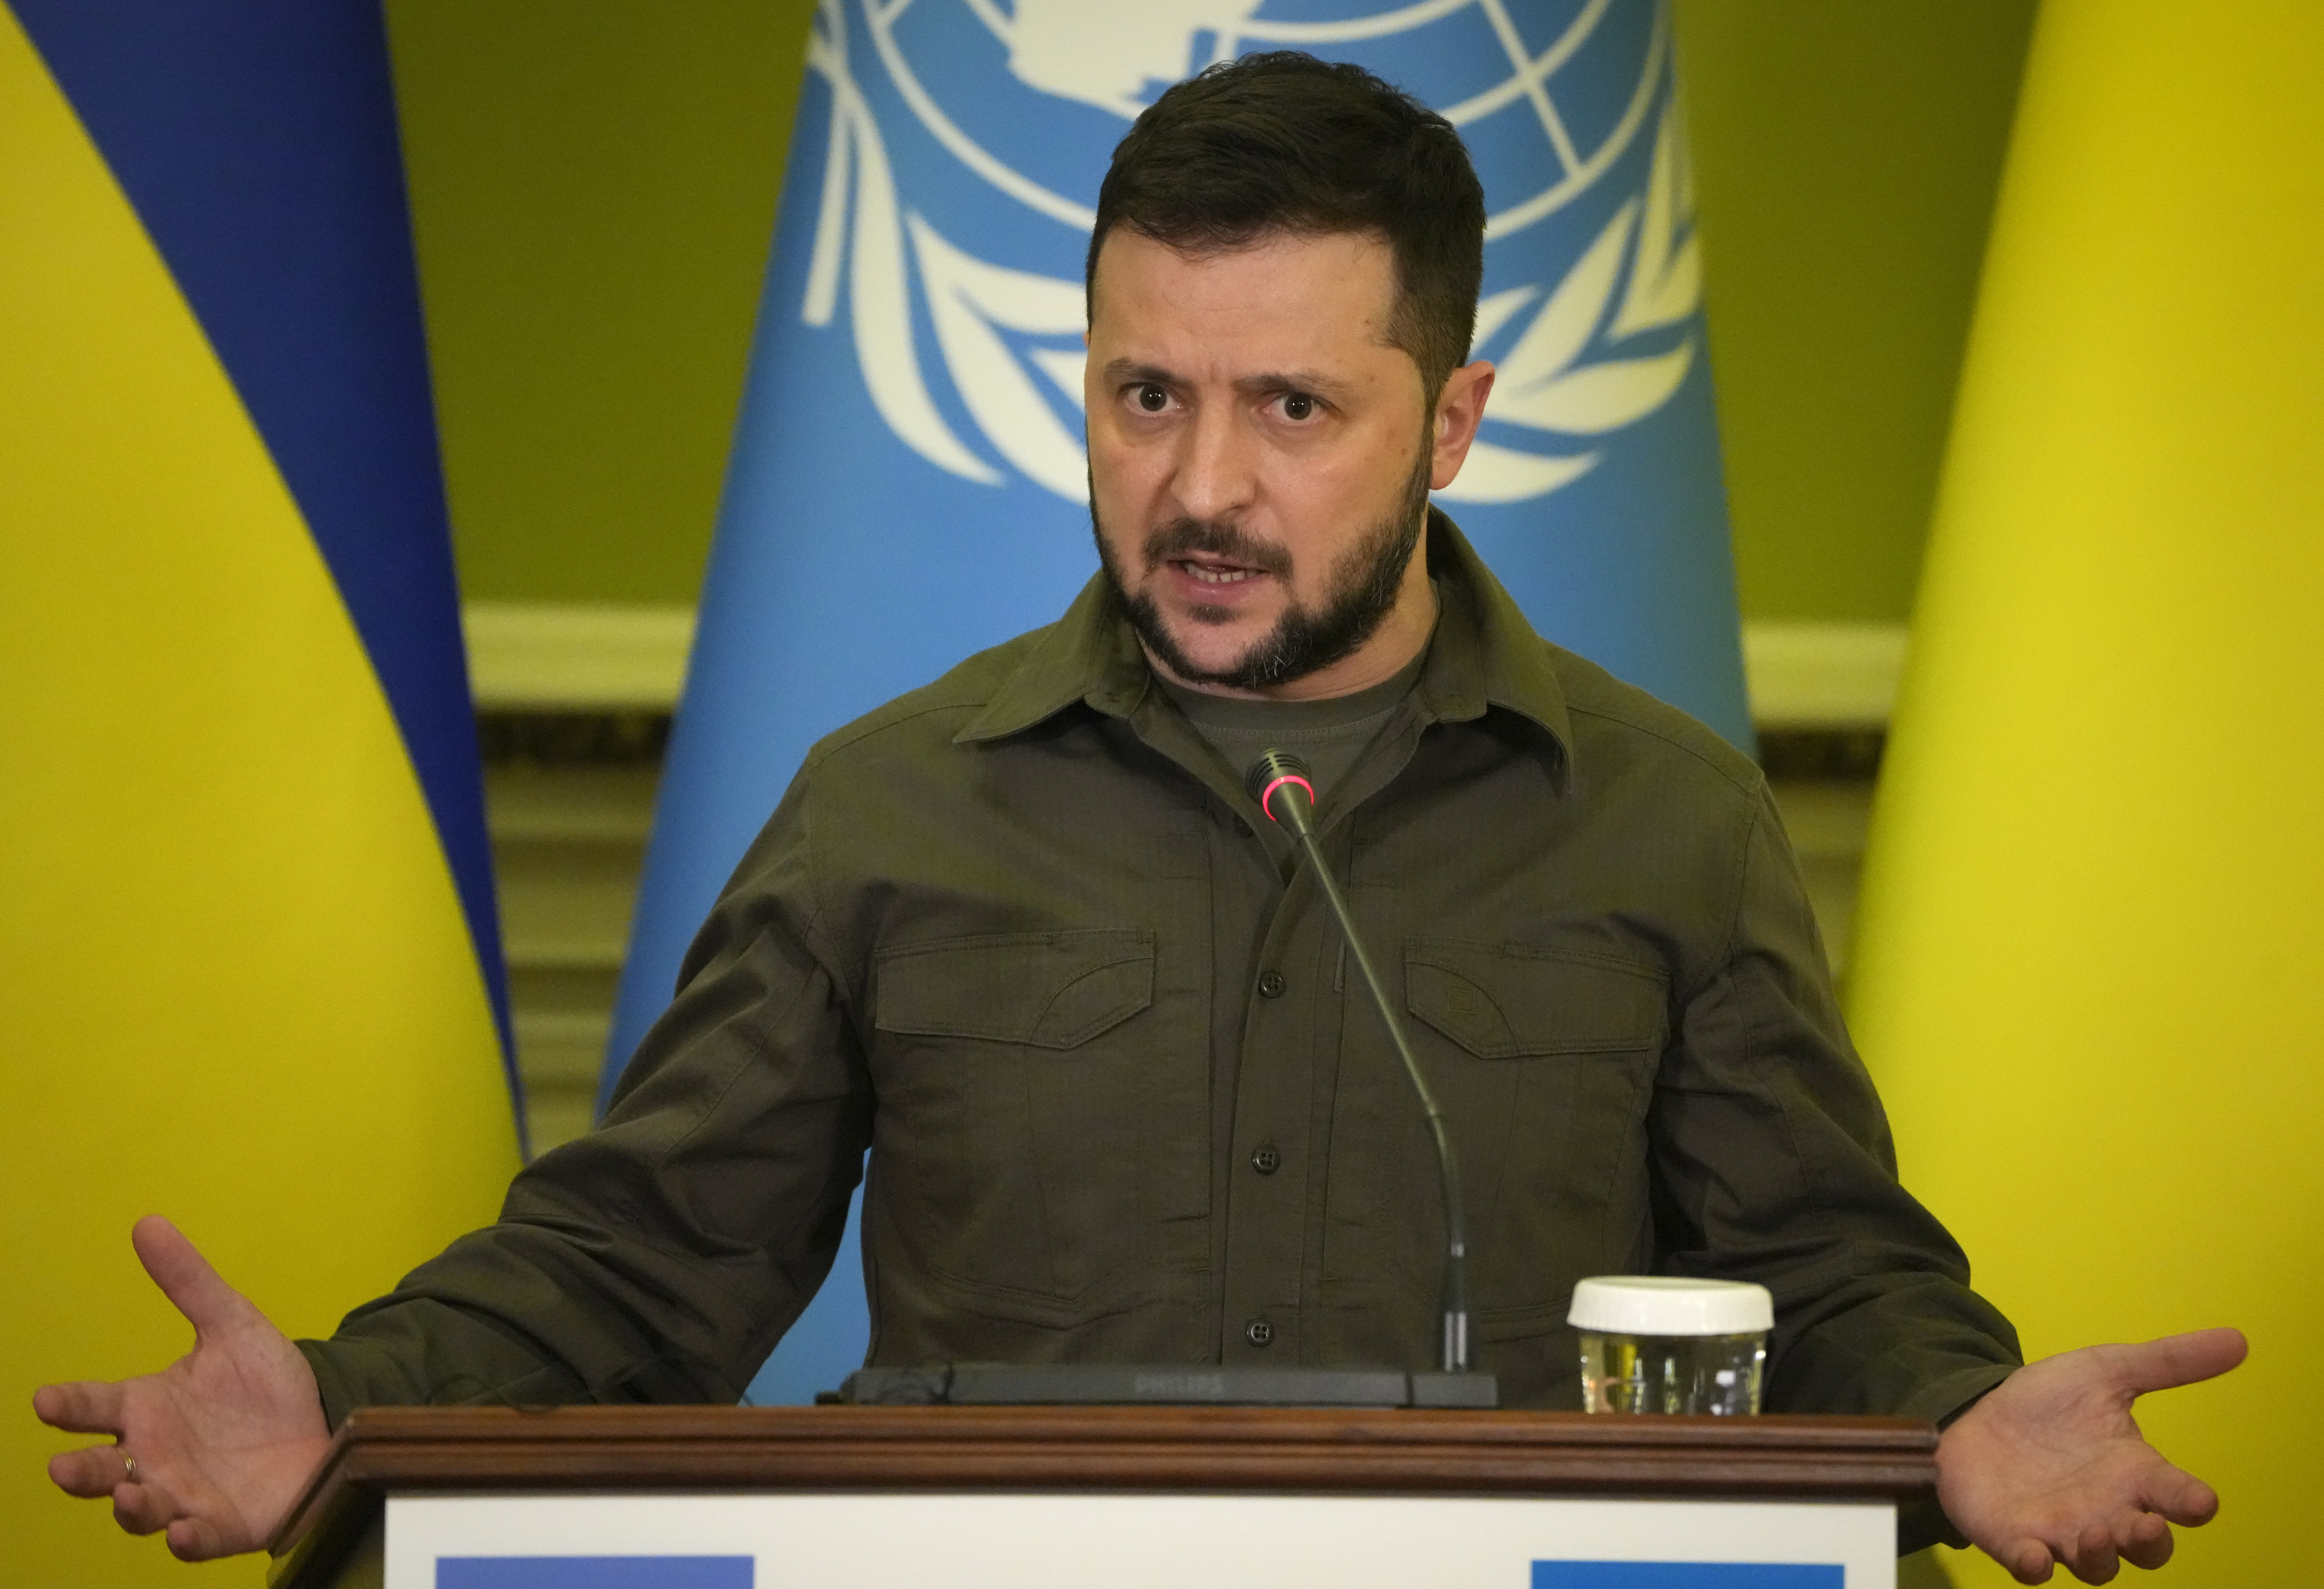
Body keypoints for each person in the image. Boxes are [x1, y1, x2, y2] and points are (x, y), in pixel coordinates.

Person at [35, 53, 2241, 1585]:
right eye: (1144, 393)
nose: (1200, 485)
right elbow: (643, 1262)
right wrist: (344, 1399)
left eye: (1295, 408)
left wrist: (1963, 1415)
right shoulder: (891, 806)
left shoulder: (1665, 824)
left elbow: (1824, 1272)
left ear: (1453, 420)